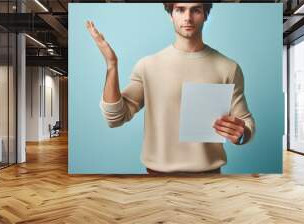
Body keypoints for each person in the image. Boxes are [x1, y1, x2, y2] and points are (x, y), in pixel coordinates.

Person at [86, 2, 255, 175]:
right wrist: (111, 65)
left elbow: (246, 121)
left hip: (209, 177)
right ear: (171, 15)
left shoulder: (228, 67)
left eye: (195, 10)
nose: (187, 18)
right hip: (156, 177)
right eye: (180, 10)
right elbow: (115, 117)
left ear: (205, 14)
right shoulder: (148, 66)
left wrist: (241, 134)